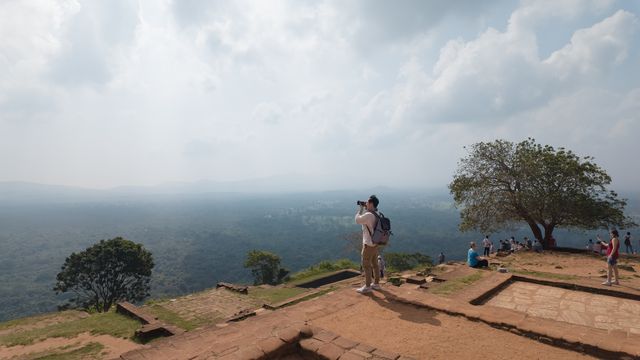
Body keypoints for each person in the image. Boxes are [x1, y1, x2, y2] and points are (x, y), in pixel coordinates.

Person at [355, 195, 381, 293]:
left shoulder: (369, 215)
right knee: (375, 264)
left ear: (370, 203)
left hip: (368, 244)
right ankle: (376, 284)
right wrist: (366, 209)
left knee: (366, 265)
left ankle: (367, 286)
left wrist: (360, 209)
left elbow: (357, 220)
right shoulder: (377, 213)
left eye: (367, 202)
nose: (366, 203)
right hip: (375, 243)